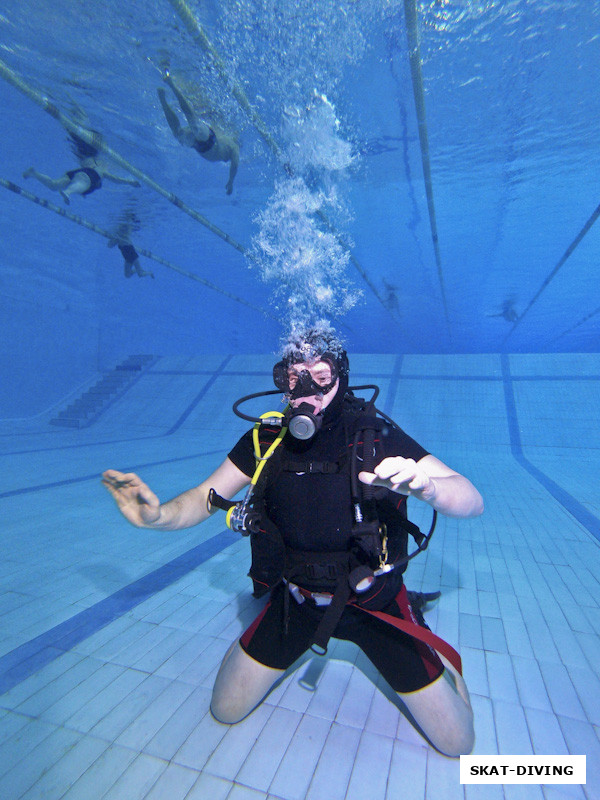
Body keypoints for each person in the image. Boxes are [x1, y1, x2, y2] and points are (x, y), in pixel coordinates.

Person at [102, 328, 484, 757]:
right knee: (225, 709)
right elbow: (203, 499)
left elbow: (471, 498)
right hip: (299, 603)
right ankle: (258, 629)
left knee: (458, 743)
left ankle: (412, 613)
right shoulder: (266, 441)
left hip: (374, 602)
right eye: (294, 376)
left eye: (320, 375)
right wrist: (156, 517)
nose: (307, 391)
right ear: (281, 380)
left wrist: (429, 488)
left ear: (341, 376)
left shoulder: (374, 437)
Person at [157, 70, 239, 195]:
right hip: (208, 142)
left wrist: (231, 180)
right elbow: (235, 164)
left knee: (179, 133)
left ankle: (162, 99)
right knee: (193, 123)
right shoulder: (234, 147)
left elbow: (234, 164)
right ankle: (171, 86)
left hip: (199, 146)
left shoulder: (229, 144)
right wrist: (231, 181)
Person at [23, 130, 140, 204]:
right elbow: (116, 179)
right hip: (87, 175)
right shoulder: (100, 173)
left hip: (76, 173)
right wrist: (129, 182)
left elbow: (115, 179)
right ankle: (68, 192)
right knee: (82, 183)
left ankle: (34, 174)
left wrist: (130, 182)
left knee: (54, 185)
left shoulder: (92, 180)